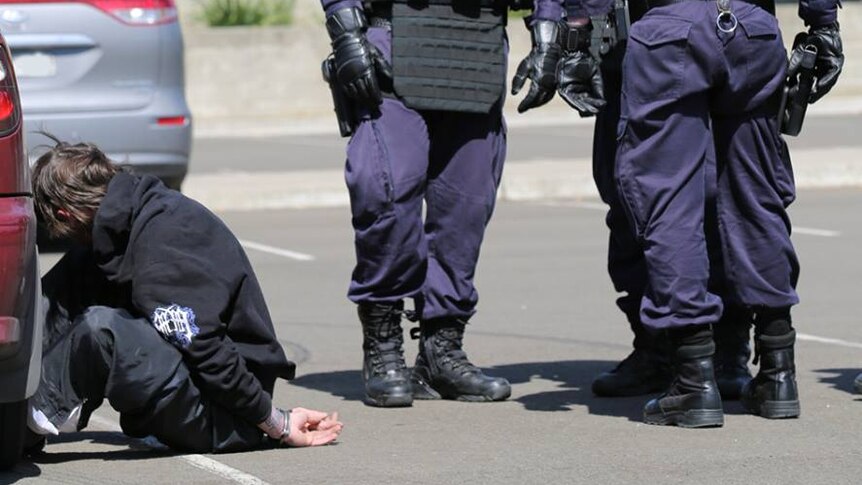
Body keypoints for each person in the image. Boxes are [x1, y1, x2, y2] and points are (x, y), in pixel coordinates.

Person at [320, 0, 566, 406]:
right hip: (393, 37)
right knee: (386, 192)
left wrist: (549, 34)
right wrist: (345, 29)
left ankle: (441, 350)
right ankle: (382, 346)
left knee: (466, 207)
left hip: (476, 45)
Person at [27, 139, 343, 452]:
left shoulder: (164, 242)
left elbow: (209, 352)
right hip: (186, 388)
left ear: (65, 214)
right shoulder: (125, 221)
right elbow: (46, 309)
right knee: (66, 284)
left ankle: (19, 429)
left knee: (101, 329)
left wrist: (279, 424)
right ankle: (11, 407)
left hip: (224, 414)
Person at [611, 0, 843, 427]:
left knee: (669, 202)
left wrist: (566, 30)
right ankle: (778, 373)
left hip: (670, 30)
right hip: (751, 30)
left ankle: (694, 379)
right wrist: (824, 22)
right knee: (757, 199)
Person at [556, 0, 754, 400]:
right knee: (630, 201)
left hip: (718, 34)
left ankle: (725, 347)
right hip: (628, 41)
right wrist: (574, 35)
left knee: (720, 198)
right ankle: (657, 346)